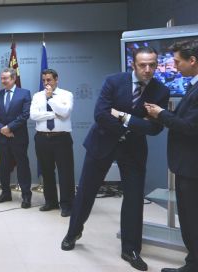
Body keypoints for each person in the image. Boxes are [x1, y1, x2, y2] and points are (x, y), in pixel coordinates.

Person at [61, 47, 169, 271]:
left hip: (134, 150)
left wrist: (123, 118)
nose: (148, 70)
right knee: (86, 191)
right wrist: (130, 127)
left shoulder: (161, 91)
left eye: (152, 65)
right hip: (102, 143)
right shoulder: (113, 81)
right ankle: (73, 233)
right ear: (133, 64)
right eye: (143, 65)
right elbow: (100, 114)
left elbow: (155, 128)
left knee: (134, 198)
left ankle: (130, 248)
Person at [145, 40, 198, 272]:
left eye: (177, 61)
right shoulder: (193, 86)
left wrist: (161, 113)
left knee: (190, 219)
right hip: (188, 165)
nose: (174, 66)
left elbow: (189, 127)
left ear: (192, 61)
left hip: (191, 167)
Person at [29, 69, 75, 217]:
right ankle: (51, 202)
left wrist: (50, 99)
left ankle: (67, 204)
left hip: (61, 138)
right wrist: (53, 114)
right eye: (44, 80)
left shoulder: (66, 94)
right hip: (42, 138)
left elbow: (65, 112)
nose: (46, 83)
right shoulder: (37, 96)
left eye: (49, 80)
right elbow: (33, 115)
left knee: (65, 172)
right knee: (46, 171)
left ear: (56, 79)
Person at [0, 68, 33, 208]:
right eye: (2, 78)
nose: (3, 81)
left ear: (13, 79)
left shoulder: (24, 93)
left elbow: (25, 114)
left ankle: (26, 196)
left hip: (18, 136)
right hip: (2, 137)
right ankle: (6, 194)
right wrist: (2, 128)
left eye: (6, 78)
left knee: (22, 166)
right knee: (4, 166)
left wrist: (9, 128)